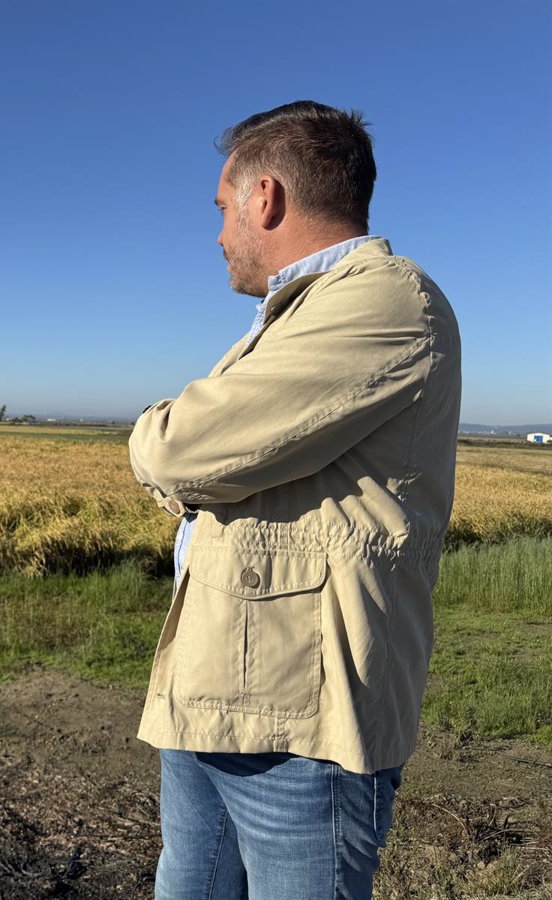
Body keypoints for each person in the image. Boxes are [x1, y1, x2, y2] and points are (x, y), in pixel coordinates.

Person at [127, 101, 461, 900]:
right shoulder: (297, 313)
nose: (217, 234)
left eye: (221, 208)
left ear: (266, 197)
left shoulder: (383, 303)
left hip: (305, 722)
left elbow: (176, 446)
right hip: (217, 690)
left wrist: (159, 442)